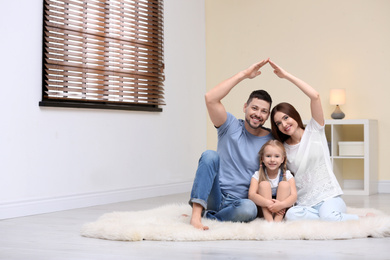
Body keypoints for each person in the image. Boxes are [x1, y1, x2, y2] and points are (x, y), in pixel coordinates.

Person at [268, 59, 363, 221]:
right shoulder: (283, 148)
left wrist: (286, 76)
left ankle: (361, 220)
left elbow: (315, 96)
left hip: (328, 197)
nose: (284, 124)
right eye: (278, 123)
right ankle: (329, 218)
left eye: (286, 117)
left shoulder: (315, 129)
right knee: (291, 216)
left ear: (294, 115)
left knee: (329, 217)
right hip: (306, 203)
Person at [189, 59, 273, 230]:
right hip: (215, 195)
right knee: (209, 155)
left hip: (240, 201)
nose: (258, 114)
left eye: (264, 111)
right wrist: (244, 75)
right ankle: (196, 216)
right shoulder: (230, 126)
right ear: (245, 107)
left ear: (268, 115)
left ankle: (211, 217)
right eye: (254, 108)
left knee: (249, 209)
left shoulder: (271, 140)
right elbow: (210, 98)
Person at [248, 139, 297, 222]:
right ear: (262, 159)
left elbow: (294, 196)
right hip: (264, 210)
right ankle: (269, 222)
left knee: (284, 185)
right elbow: (251, 195)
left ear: (282, 159)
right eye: (268, 156)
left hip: (282, 209)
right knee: (264, 184)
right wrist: (269, 203)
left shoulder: (287, 175)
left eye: (277, 156)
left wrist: (281, 205)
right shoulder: (257, 175)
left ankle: (277, 221)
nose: (272, 160)